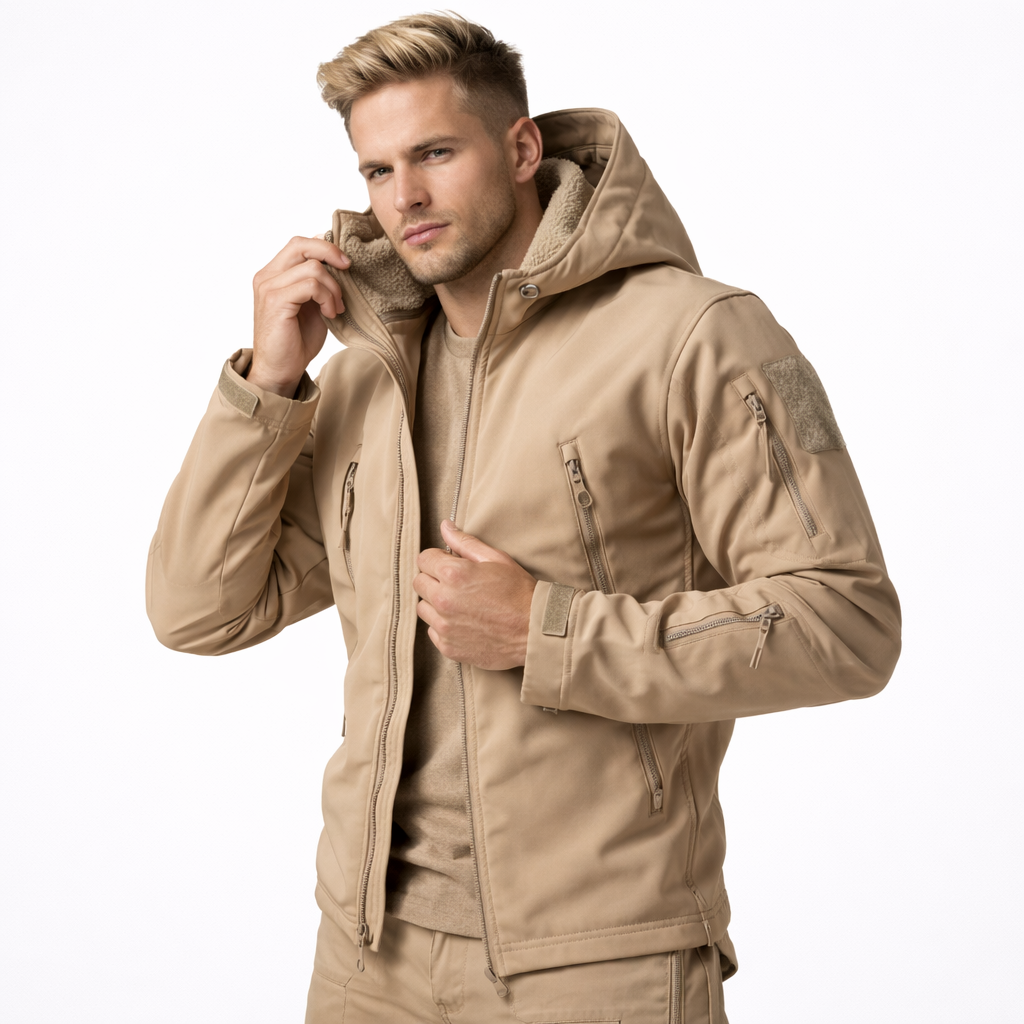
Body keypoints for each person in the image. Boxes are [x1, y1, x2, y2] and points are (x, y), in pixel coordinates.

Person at [147, 12, 901, 1023]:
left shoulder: (697, 335)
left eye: (434, 154)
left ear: (521, 148)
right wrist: (267, 386)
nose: (403, 198)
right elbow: (198, 610)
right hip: (366, 958)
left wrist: (547, 630)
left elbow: (845, 621)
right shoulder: (366, 377)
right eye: (376, 170)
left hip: (598, 960)